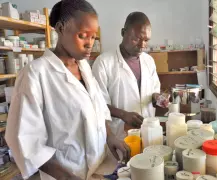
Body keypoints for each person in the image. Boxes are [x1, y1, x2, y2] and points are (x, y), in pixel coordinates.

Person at [5, 0, 129, 180]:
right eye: (83, 35)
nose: (90, 44)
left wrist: (110, 137)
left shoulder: (84, 67)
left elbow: (99, 108)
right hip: (65, 175)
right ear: (62, 28)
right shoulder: (35, 74)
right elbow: (26, 141)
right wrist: (68, 178)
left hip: (97, 170)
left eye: (93, 37)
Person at [92, 12, 167, 140]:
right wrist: (123, 115)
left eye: (146, 40)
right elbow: (97, 105)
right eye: (136, 39)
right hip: (120, 137)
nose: (142, 45)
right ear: (123, 32)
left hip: (148, 133)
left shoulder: (148, 61)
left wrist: (158, 98)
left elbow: (153, 92)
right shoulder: (104, 63)